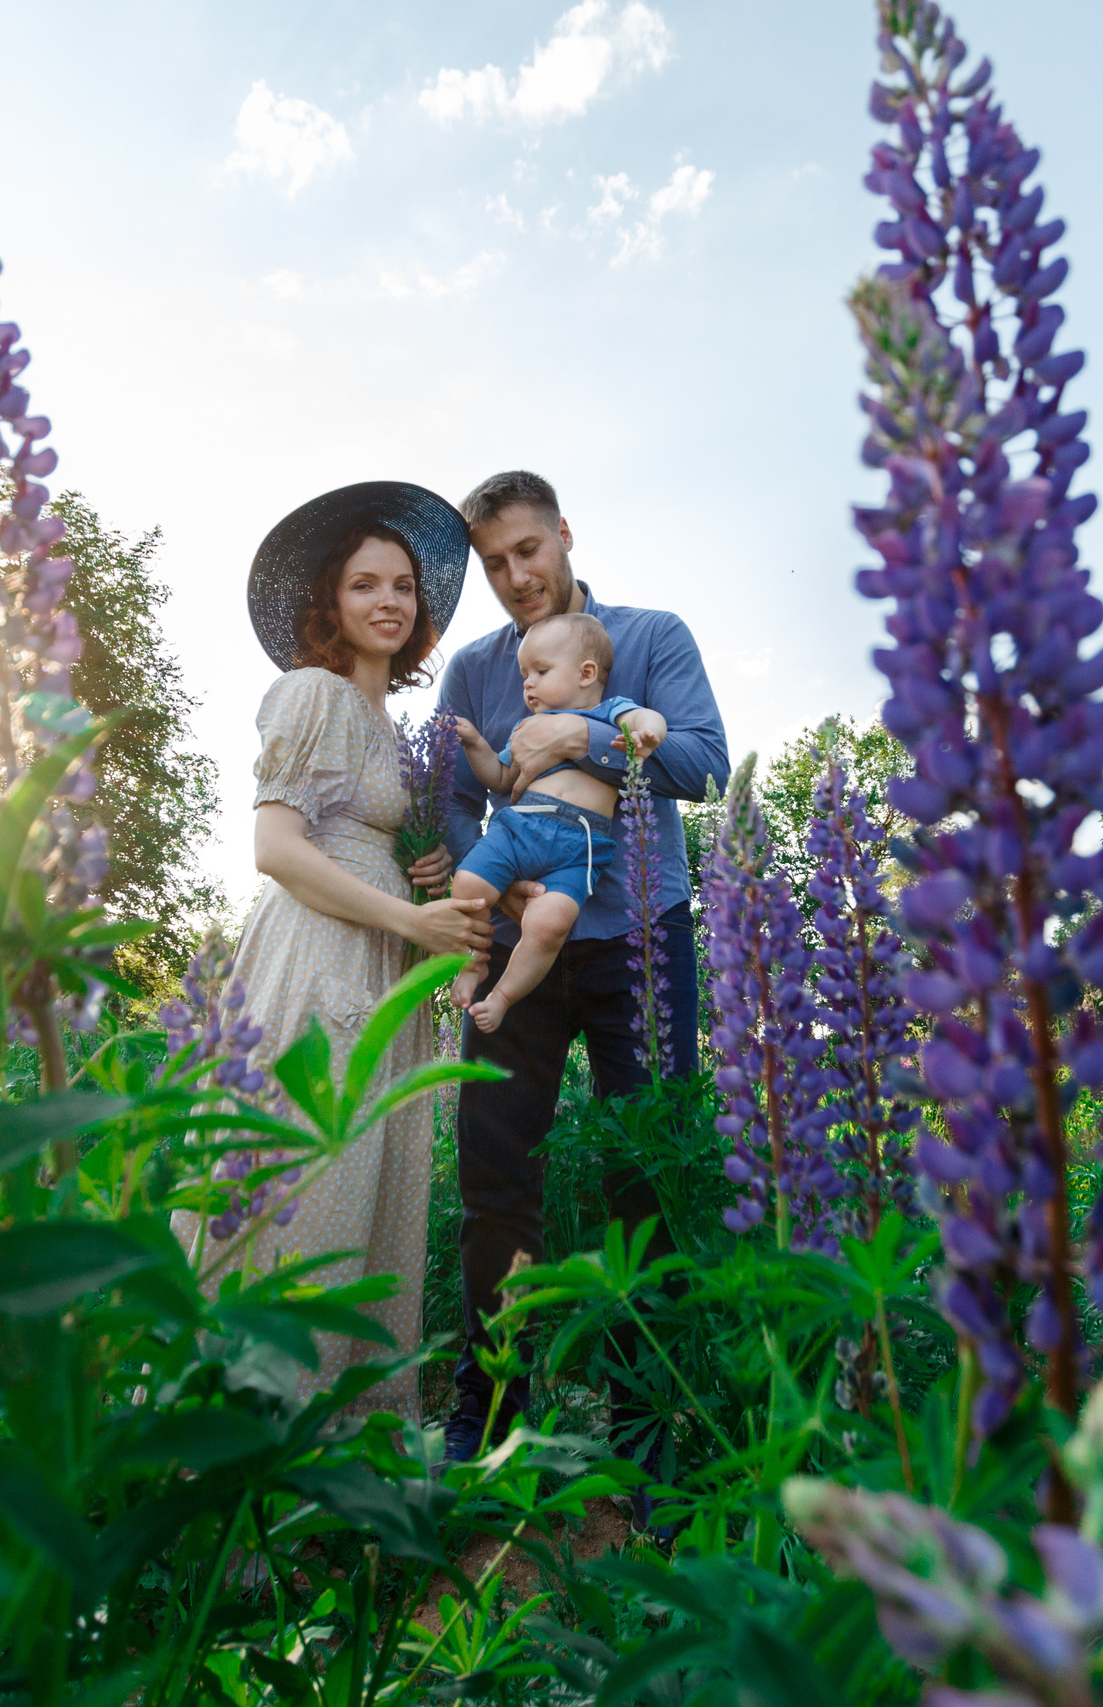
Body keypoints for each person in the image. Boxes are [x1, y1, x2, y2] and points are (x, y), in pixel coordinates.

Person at [433, 469, 730, 1475]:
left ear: (563, 533)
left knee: (646, 1177)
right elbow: (453, 803)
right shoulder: (474, 669)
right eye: (494, 564)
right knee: (494, 1177)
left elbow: (705, 763)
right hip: (518, 945)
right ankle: (489, 1412)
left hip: (641, 937)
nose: (516, 576)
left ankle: (647, 1436)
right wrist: (503, 891)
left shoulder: (650, 637)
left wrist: (583, 736)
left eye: (527, 550)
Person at [190, 480, 492, 1420]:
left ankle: (344, 1443)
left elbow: (363, 834)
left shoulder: (396, 732)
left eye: (403, 585)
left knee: (369, 1184)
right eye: (366, 584)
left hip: (383, 963)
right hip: (318, 957)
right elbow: (276, 850)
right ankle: (254, 1434)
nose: (389, 601)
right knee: (302, 1179)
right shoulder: (311, 692)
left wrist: (425, 871)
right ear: (331, 599)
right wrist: (411, 920)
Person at [447, 611, 666, 1031]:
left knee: (549, 925)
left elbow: (644, 718)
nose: (527, 684)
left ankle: (502, 996)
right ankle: (474, 962)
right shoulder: (529, 727)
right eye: (524, 674)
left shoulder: (609, 714)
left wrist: (648, 734)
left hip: (579, 848)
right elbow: (501, 777)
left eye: (540, 671)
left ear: (586, 673)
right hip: (520, 828)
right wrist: (475, 744)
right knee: (469, 885)